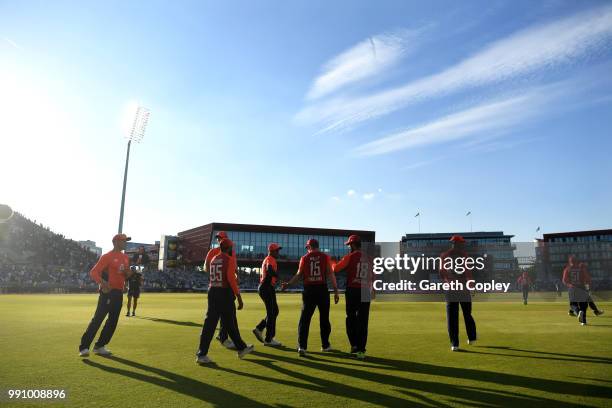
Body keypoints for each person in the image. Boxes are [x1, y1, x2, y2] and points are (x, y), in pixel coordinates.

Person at [196, 238, 254, 364]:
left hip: (212, 291)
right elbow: (230, 279)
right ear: (229, 248)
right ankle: (241, 348)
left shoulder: (214, 259)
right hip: (224, 293)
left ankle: (202, 353)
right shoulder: (229, 259)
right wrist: (238, 296)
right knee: (229, 322)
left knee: (210, 323)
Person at [281, 238, 340, 357]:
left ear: (309, 247)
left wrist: (288, 284)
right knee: (324, 319)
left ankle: (302, 346)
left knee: (305, 319)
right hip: (322, 290)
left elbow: (299, 274)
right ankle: (325, 345)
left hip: (309, 291)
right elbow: (330, 273)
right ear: (317, 245)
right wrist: (335, 290)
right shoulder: (325, 257)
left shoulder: (304, 258)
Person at [79, 233, 134, 357]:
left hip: (118, 293)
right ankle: (84, 347)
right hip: (107, 293)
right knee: (98, 319)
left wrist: (127, 276)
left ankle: (100, 346)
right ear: (116, 242)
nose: (126, 243)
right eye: (124, 241)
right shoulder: (107, 256)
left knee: (112, 321)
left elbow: (125, 274)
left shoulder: (125, 257)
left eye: (126, 241)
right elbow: (94, 272)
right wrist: (103, 283)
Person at [333, 234, 374, 360]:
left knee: (350, 318)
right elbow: (373, 276)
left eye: (349, 245)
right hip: (366, 290)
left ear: (353, 244)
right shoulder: (369, 258)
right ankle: (361, 351)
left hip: (353, 289)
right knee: (363, 321)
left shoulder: (349, 257)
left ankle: (354, 345)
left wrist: (332, 261)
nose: (348, 247)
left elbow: (336, 269)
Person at [439, 235, 477, 351]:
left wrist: (447, 282)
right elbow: (468, 272)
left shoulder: (444, 256)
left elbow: (441, 272)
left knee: (452, 317)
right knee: (467, 314)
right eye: (462, 243)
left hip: (450, 289)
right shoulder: (465, 256)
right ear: (459, 244)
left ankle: (454, 344)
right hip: (463, 289)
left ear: (452, 243)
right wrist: (471, 286)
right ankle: (471, 338)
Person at [204, 231, 238, 349]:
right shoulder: (227, 253)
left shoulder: (214, 253)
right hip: (223, 287)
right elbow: (232, 270)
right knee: (228, 314)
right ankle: (230, 340)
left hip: (215, 287)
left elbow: (206, 267)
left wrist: (214, 276)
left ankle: (224, 337)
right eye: (218, 238)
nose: (219, 240)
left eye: (221, 238)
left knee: (220, 316)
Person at [253, 243, 282, 346]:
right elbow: (270, 269)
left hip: (267, 287)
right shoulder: (270, 259)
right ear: (272, 251)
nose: (278, 252)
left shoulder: (269, 259)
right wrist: (277, 275)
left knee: (274, 311)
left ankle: (259, 329)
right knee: (272, 312)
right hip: (266, 287)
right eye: (277, 250)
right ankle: (269, 339)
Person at [563, 255, 594, 325]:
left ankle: (578, 312)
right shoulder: (581, 269)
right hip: (581, 287)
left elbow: (564, 280)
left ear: (570, 261)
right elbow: (588, 278)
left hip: (572, 288)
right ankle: (584, 321)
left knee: (573, 304)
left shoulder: (567, 269)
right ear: (577, 261)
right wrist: (589, 287)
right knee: (583, 304)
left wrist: (569, 285)